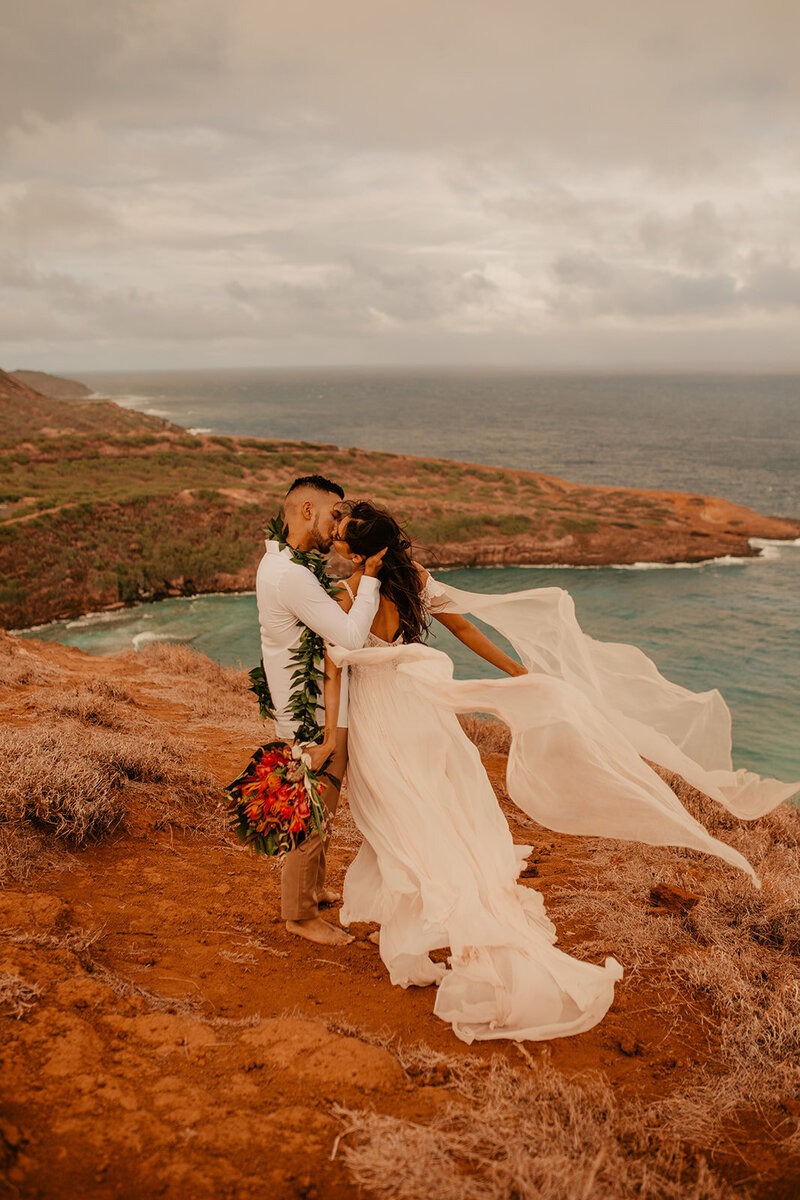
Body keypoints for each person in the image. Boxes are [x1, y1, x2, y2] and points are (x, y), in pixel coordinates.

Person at [315, 500, 798, 1043]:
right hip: (423, 710)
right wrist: (520, 674)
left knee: (398, 822)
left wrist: (333, 737)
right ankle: (434, 924)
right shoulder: (415, 580)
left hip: (381, 717)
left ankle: (430, 930)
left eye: (340, 535)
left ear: (357, 552)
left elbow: (337, 669)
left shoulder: (347, 597)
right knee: (438, 811)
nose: (332, 537)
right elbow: (469, 633)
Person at [255, 477, 386, 947]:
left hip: (319, 708)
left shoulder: (286, 566)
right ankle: (300, 914)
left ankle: (312, 889)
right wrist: (368, 579)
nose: (337, 526)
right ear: (308, 509)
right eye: (333, 515)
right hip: (312, 716)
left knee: (322, 809)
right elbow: (349, 639)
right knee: (311, 814)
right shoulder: (289, 575)